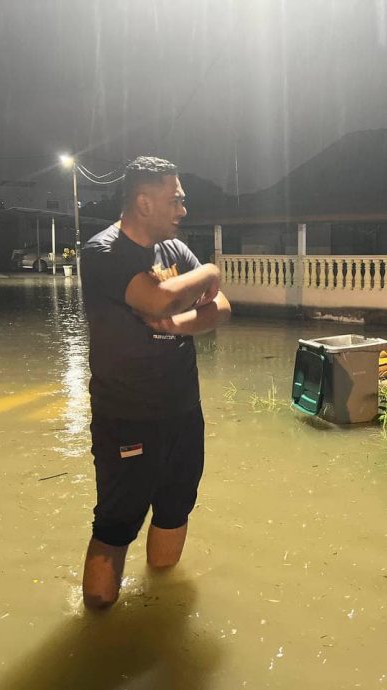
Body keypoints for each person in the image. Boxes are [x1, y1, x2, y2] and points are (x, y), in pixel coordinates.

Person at [79, 156, 231, 609]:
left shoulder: (174, 250)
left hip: (183, 410)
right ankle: (98, 627)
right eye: (176, 199)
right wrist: (210, 272)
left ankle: (158, 604)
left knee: (175, 506)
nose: (183, 210)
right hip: (126, 415)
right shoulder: (103, 252)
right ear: (144, 202)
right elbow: (159, 297)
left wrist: (177, 326)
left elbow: (221, 309)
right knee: (117, 521)